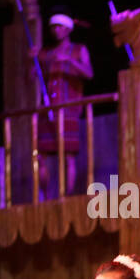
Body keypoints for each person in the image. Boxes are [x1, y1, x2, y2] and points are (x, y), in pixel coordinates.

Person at [34, 10, 92, 197]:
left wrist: (69, 61)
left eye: (59, 27)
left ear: (68, 29)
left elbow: (89, 73)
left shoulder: (78, 50)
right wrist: (32, 60)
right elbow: (31, 77)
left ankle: (67, 195)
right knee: (40, 156)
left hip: (69, 108)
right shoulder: (45, 53)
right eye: (53, 27)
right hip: (48, 108)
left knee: (68, 156)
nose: (56, 30)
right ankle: (46, 196)